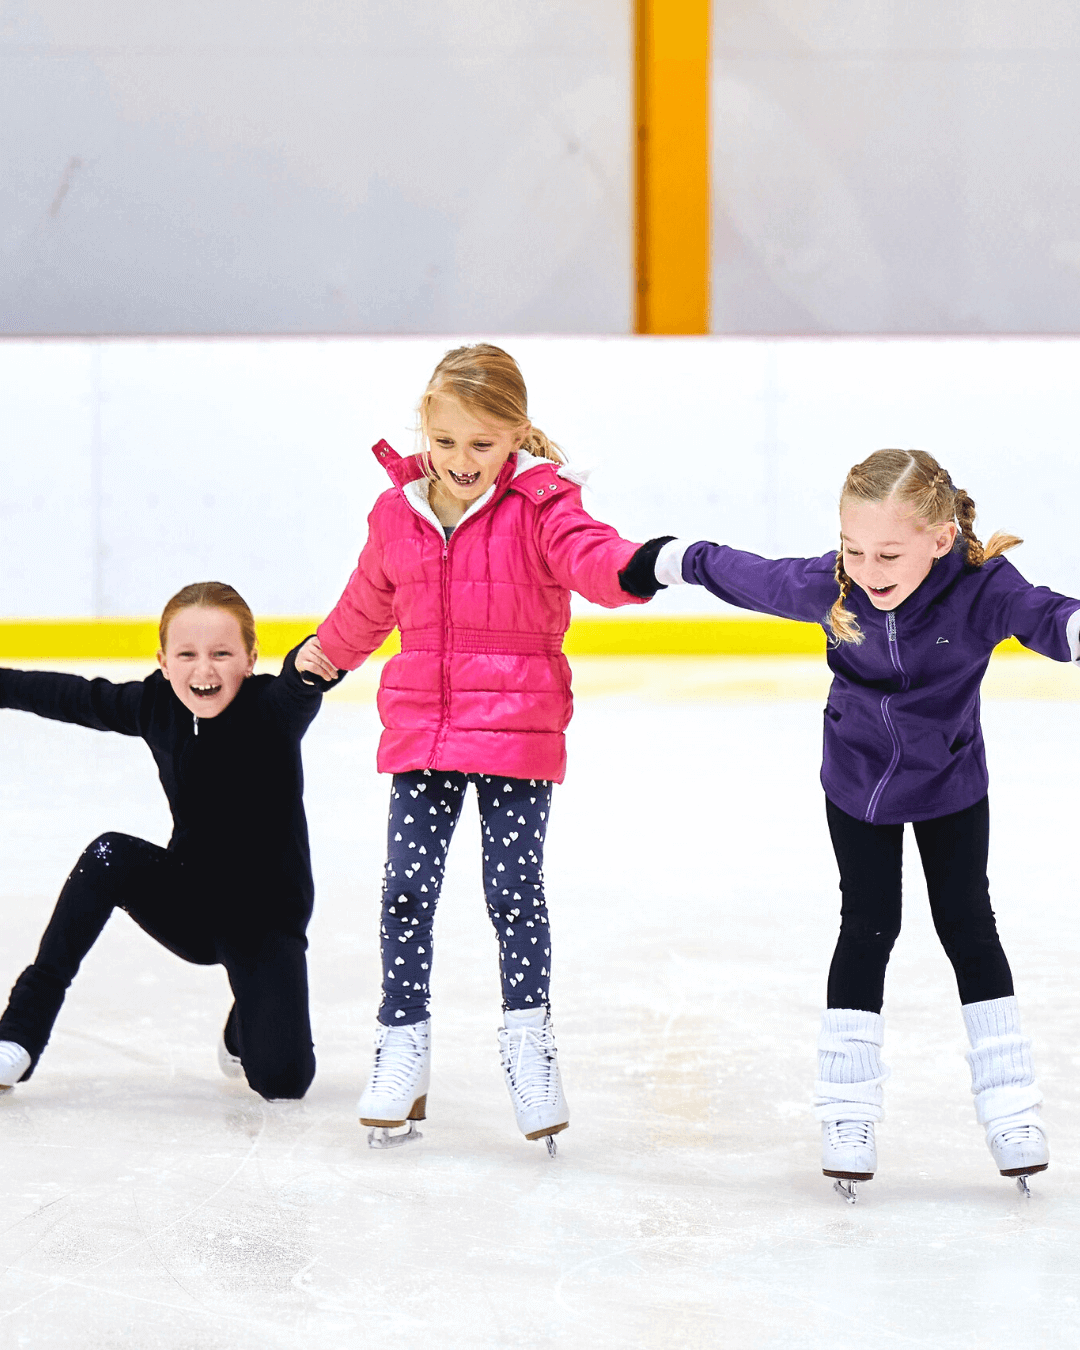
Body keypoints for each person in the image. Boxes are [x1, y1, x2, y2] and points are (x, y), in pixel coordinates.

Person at [619, 448, 1073, 1198]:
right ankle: (846, 1110)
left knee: (967, 922)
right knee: (867, 925)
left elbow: (1045, 616)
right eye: (852, 549)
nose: (867, 568)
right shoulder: (836, 586)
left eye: (889, 552)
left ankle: (1012, 1108)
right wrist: (671, 560)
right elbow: (746, 574)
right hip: (857, 779)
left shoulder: (982, 589)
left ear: (938, 538)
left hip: (951, 780)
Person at [295, 343, 647, 1153]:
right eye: (447, 441)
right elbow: (367, 602)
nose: (462, 462)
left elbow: (592, 558)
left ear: (516, 434)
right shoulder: (396, 514)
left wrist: (636, 570)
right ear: (427, 426)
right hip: (421, 729)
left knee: (513, 892)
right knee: (405, 892)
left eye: (483, 445)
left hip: (519, 731)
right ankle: (402, 1045)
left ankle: (529, 1045)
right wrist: (323, 654)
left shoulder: (544, 506)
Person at [0, 581, 338, 1102]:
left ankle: (244, 1017)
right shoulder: (156, 704)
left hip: (265, 923)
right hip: (190, 904)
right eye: (186, 655)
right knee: (107, 853)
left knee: (283, 1083)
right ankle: (19, 1033)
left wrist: (306, 662)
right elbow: (75, 696)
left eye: (222, 654)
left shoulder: (272, 709)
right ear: (162, 660)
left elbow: (298, 683)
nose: (203, 671)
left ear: (250, 659)